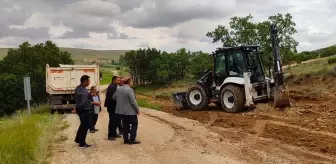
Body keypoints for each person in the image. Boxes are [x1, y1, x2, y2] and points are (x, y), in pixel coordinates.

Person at [113, 77, 141, 144]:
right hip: (130, 112)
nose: (132, 82)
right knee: (134, 124)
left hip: (121, 112)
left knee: (125, 125)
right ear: (129, 82)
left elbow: (114, 97)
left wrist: (120, 102)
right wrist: (137, 109)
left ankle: (126, 140)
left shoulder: (119, 89)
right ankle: (132, 139)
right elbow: (133, 102)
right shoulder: (129, 90)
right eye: (131, 81)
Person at [74, 75, 99, 148]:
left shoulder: (78, 88)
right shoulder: (84, 91)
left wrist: (90, 95)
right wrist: (88, 106)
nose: (89, 82)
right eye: (88, 80)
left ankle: (78, 139)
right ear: (85, 81)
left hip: (80, 109)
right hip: (84, 110)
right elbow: (84, 102)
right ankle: (82, 144)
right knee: (85, 126)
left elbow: (81, 98)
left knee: (82, 125)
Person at [104, 76, 122, 140]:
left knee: (115, 120)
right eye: (118, 80)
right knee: (112, 120)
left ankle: (114, 133)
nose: (119, 82)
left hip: (112, 106)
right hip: (112, 106)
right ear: (114, 80)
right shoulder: (112, 87)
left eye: (119, 80)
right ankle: (110, 135)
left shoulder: (113, 86)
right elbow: (113, 98)